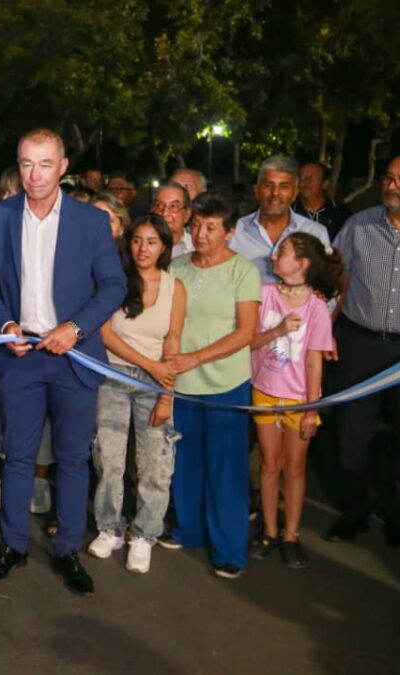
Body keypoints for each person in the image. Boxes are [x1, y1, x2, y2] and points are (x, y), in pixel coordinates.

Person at [0, 128, 126, 595]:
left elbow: (114, 286)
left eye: (44, 164)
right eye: (25, 164)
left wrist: (74, 329)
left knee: (73, 460)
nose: (34, 175)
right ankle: (13, 545)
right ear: (17, 167)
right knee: (17, 457)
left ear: (62, 168)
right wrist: (4, 326)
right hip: (20, 356)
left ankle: (67, 552)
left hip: (73, 356)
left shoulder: (90, 221)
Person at [165, 193, 260, 579]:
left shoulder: (244, 271)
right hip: (181, 383)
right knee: (185, 461)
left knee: (226, 467)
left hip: (226, 384)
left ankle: (229, 549)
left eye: (210, 228)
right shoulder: (176, 267)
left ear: (230, 232)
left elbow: (246, 333)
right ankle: (188, 529)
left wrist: (195, 358)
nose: (201, 234)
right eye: (196, 226)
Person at [88, 215, 185, 574]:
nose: (143, 249)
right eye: (137, 241)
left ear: (164, 247)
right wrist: (150, 364)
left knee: (155, 464)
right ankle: (110, 527)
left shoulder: (175, 287)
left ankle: (144, 534)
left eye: (152, 242)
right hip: (112, 376)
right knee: (109, 460)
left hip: (156, 382)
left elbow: (172, 342)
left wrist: (165, 394)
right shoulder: (115, 282)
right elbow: (106, 334)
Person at [248, 233, 342, 568]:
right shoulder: (264, 296)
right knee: (269, 465)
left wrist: (310, 409)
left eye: (282, 252)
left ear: (301, 264)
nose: (274, 257)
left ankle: (291, 534)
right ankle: (269, 532)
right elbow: (250, 341)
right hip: (263, 391)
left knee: (295, 468)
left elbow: (315, 360)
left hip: (298, 399)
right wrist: (277, 331)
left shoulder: (316, 306)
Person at [327, 154, 400, 545]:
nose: (392, 185)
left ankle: (397, 519)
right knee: (352, 434)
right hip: (360, 343)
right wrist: (327, 333)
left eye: (399, 179)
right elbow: (338, 281)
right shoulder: (359, 226)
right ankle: (352, 513)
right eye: (389, 177)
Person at [230, 156, 330, 284]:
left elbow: (327, 284)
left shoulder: (315, 232)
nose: (275, 193)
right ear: (257, 190)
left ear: (295, 193)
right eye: (268, 185)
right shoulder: (234, 232)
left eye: (284, 187)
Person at [293, 161, 350, 239]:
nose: (306, 181)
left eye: (311, 177)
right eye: (302, 177)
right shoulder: (288, 213)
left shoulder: (341, 216)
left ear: (325, 184)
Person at [152, 182, 194, 257]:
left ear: (187, 215)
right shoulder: (142, 248)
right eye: (159, 206)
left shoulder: (196, 247)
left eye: (173, 206)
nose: (165, 213)